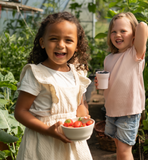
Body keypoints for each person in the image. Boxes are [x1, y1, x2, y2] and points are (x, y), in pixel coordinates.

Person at [14, 11, 93, 160]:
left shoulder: (77, 74)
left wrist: (83, 114)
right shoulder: (37, 74)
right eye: (53, 39)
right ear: (42, 42)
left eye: (68, 40)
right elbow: (20, 111)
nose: (61, 45)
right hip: (43, 141)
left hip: (71, 140)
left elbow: (80, 103)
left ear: (77, 45)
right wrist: (48, 130)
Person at [95, 12, 148, 160]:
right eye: (114, 31)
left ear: (134, 35)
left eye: (123, 31)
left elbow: (143, 27)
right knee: (119, 147)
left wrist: (133, 24)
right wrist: (100, 84)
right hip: (112, 110)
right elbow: (109, 84)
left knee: (124, 151)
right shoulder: (109, 59)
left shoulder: (135, 54)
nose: (118, 34)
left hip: (129, 111)